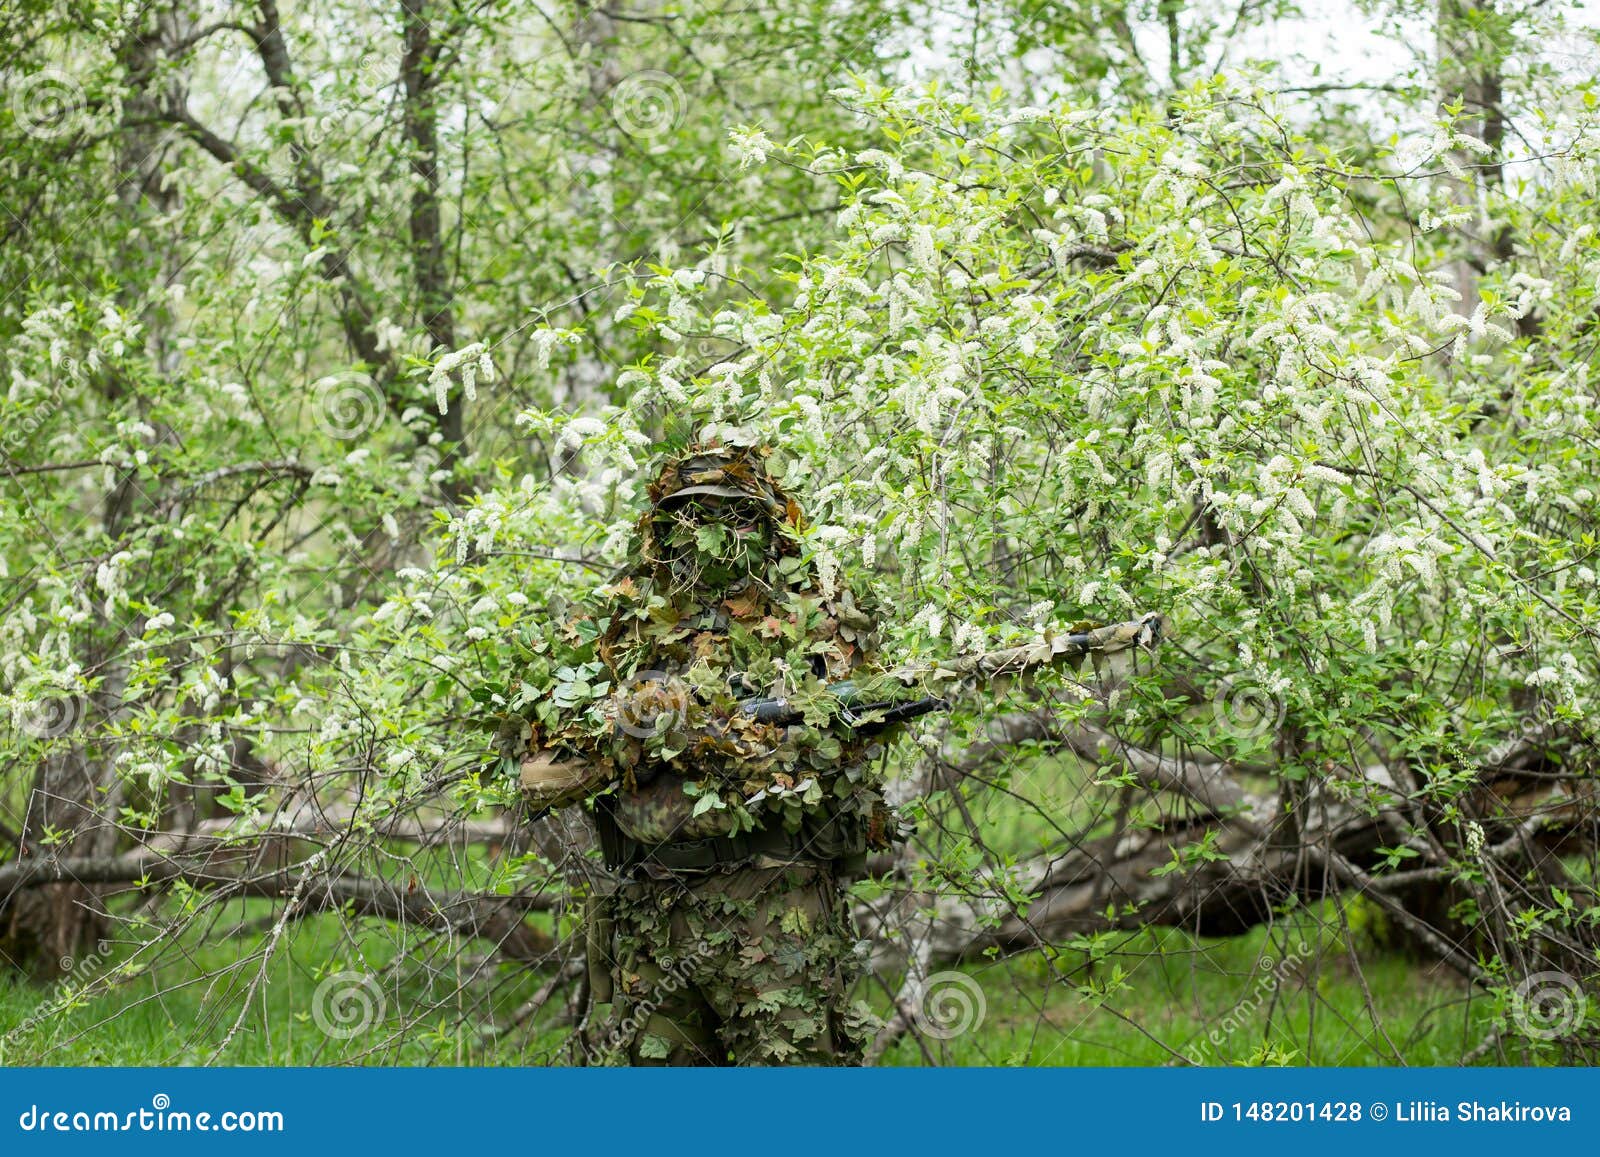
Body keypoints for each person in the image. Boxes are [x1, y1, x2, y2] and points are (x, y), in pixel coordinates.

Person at [498, 440, 1163, 1065]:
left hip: (775, 911)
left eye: (731, 517)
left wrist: (762, 736)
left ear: (763, 523)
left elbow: (849, 734)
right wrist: (648, 727)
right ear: (664, 526)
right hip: (650, 914)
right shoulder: (622, 621)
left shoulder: (815, 613)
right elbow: (539, 775)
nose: (711, 534)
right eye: (691, 517)